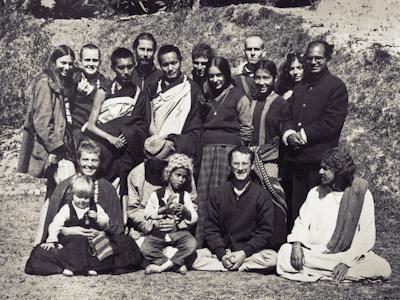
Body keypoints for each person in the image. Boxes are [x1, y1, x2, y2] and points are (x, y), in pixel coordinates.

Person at [25, 139, 143, 275]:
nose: (89, 165)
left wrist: (101, 232)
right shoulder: (65, 186)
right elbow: (54, 222)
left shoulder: (107, 187)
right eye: (85, 159)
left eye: (94, 160)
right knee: (39, 254)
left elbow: (115, 225)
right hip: (71, 242)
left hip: (99, 241)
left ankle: (79, 266)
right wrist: (68, 231)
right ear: (78, 161)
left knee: (128, 245)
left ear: (100, 163)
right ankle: (94, 266)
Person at [277, 148, 392, 282]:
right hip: (316, 254)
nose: (320, 172)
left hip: (348, 255)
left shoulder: (362, 194)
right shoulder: (314, 193)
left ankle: (321, 273)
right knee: (284, 253)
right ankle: (336, 275)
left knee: (382, 267)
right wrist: (297, 246)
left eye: (326, 169)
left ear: (339, 172)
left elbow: (366, 235)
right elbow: (302, 222)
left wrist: (346, 263)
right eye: (321, 168)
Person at [281, 40, 348, 230]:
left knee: (319, 210)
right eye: (309, 58)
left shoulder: (336, 87)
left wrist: (302, 135)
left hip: (319, 162)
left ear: (328, 58)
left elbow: (332, 123)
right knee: (296, 208)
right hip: (296, 160)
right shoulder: (301, 86)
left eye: (318, 58)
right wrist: (289, 133)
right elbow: (287, 114)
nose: (313, 62)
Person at [195, 56, 253, 248]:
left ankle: (224, 242)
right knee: (204, 196)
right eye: (211, 76)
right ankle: (202, 241)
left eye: (219, 75)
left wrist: (237, 154)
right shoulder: (205, 94)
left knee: (225, 197)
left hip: (228, 152)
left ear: (227, 75)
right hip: (206, 152)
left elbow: (246, 128)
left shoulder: (239, 97)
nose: (215, 80)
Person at [84, 47, 147, 222]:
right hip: (105, 144)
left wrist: (127, 133)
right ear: (113, 68)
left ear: (134, 65)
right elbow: (91, 125)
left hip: (125, 146)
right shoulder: (104, 91)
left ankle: (123, 221)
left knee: (125, 181)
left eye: (129, 67)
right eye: (121, 68)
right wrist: (110, 138)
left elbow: (138, 123)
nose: (126, 72)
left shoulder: (137, 93)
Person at [202, 146, 277, 272]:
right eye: (236, 164)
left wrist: (243, 253)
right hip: (223, 252)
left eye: (245, 163)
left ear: (252, 166)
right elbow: (211, 229)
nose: (240, 168)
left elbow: (265, 231)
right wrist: (222, 254)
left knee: (273, 259)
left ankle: (233, 264)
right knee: (194, 257)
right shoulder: (217, 193)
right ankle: (230, 263)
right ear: (230, 166)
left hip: (249, 253)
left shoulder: (262, 195)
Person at [18, 44, 76, 199]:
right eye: (63, 63)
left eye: (70, 64)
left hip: (58, 146)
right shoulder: (46, 83)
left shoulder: (61, 82)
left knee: (54, 194)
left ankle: (49, 223)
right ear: (54, 62)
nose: (67, 67)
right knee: (56, 195)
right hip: (51, 149)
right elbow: (41, 122)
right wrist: (57, 146)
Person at [127, 135, 197, 244]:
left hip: (178, 231)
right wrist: (154, 224)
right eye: (153, 163)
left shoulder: (182, 173)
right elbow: (133, 210)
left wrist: (178, 225)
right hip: (148, 231)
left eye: (163, 163)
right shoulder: (136, 175)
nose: (159, 167)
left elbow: (192, 204)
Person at [248, 59, 288, 250]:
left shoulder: (281, 103)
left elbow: (283, 133)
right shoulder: (250, 101)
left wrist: (268, 151)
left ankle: (276, 244)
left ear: (274, 79)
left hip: (271, 159)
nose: (261, 82)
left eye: (266, 78)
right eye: (258, 78)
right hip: (249, 160)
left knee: (273, 199)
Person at [145, 44, 202, 174]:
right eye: (165, 65)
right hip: (157, 148)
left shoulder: (191, 89)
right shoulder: (152, 89)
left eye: (174, 63)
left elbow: (195, 125)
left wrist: (175, 142)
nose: (170, 68)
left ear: (180, 61)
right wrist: (160, 142)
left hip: (180, 149)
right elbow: (148, 120)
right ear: (159, 65)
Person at [40, 174, 110, 276]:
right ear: (73, 194)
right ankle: (72, 267)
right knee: (75, 244)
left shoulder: (95, 208)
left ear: (91, 196)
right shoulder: (67, 208)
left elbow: (106, 224)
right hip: (73, 241)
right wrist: (51, 240)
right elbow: (56, 224)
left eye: (86, 198)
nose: (82, 200)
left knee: (103, 245)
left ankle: (94, 267)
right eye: (79, 196)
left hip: (90, 242)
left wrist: (98, 219)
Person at [141, 153, 198, 275]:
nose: (181, 179)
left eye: (184, 177)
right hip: (159, 233)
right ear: (168, 173)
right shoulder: (157, 194)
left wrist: (184, 211)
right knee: (145, 248)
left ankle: (162, 267)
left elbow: (193, 218)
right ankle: (174, 263)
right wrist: (164, 209)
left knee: (191, 244)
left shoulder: (185, 195)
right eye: (177, 175)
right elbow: (147, 213)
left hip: (177, 233)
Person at [71, 43, 111, 146]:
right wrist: (78, 94)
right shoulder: (73, 81)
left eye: (95, 60)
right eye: (87, 60)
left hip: (97, 129)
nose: (91, 64)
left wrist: (92, 94)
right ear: (80, 62)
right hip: (75, 130)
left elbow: (107, 109)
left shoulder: (105, 83)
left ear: (100, 62)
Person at [232, 35, 266, 101]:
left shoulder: (270, 75)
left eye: (256, 49)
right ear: (244, 52)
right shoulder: (236, 78)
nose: (252, 53)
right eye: (249, 49)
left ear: (263, 52)